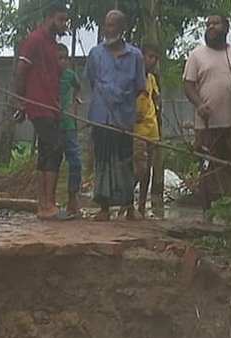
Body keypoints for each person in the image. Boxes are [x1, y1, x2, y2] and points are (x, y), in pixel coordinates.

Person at [86, 9, 145, 220]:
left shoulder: (135, 55)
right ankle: (104, 208)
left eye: (112, 25)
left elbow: (139, 86)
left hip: (123, 118)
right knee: (102, 161)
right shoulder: (95, 54)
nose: (108, 29)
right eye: (106, 25)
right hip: (101, 116)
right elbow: (92, 82)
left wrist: (121, 99)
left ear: (122, 29)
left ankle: (128, 205)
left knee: (124, 160)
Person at [15, 1, 72, 220]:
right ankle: (47, 205)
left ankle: (45, 205)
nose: (64, 24)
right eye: (61, 19)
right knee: (54, 148)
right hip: (38, 105)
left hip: (52, 106)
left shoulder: (52, 44)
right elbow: (22, 70)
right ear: (49, 17)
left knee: (48, 152)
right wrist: (20, 101)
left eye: (65, 19)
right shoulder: (35, 39)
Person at [183, 14, 231, 209]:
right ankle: (207, 212)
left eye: (215, 23)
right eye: (208, 24)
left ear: (226, 27)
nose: (211, 27)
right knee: (207, 169)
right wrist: (199, 104)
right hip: (207, 124)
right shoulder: (197, 55)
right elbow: (188, 85)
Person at [133, 43, 162, 218]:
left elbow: (155, 98)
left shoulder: (151, 79)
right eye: (148, 56)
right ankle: (125, 199)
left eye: (154, 58)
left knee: (147, 171)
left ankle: (142, 206)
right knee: (139, 168)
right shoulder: (132, 77)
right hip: (136, 130)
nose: (151, 60)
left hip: (151, 129)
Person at [58, 44, 83, 215]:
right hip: (53, 125)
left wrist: (74, 103)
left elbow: (78, 86)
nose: (61, 62)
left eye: (64, 58)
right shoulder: (48, 76)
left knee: (75, 162)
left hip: (68, 125)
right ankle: (48, 201)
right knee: (51, 164)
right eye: (58, 58)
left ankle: (72, 198)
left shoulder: (69, 75)